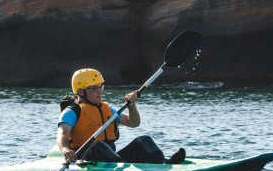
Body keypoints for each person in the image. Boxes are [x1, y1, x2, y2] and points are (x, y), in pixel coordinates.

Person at [57, 68, 186, 165]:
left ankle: (163, 163)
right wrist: (66, 151)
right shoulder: (71, 112)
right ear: (81, 91)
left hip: (113, 158)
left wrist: (132, 106)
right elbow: (62, 135)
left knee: (143, 140)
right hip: (85, 160)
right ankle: (123, 166)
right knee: (97, 145)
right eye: (95, 89)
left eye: (101, 87)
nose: (100, 92)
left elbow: (133, 123)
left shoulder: (107, 108)